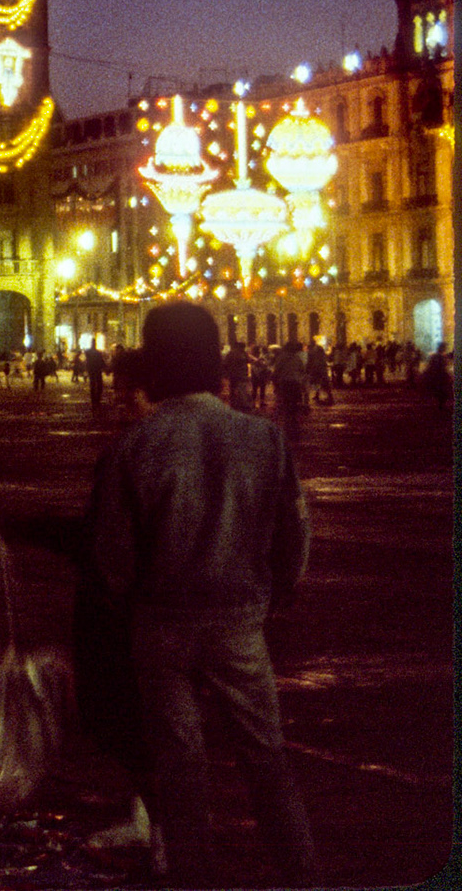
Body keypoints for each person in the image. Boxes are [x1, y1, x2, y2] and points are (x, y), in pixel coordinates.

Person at [87, 302, 315, 887]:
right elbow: (295, 533)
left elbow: (113, 557)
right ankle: (299, 870)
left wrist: (129, 602)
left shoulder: (134, 447)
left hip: (161, 622)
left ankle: (194, 875)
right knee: (266, 755)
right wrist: (279, 591)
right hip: (239, 618)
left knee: (180, 763)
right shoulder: (263, 438)